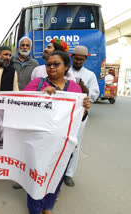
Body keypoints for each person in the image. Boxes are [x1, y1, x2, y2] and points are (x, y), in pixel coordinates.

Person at [24, 51, 90, 214]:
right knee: (36, 177)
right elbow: (21, 108)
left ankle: (48, 206)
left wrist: (85, 109)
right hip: (38, 143)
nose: (51, 67)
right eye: (48, 64)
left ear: (66, 66)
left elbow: (78, 119)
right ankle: (35, 209)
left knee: (56, 176)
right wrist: (39, 96)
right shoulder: (37, 84)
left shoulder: (74, 89)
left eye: (56, 64)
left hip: (63, 144)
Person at [64, 46, 100, 187]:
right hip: (64, 114)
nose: (78, 61)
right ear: (72, 57)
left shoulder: (90, 75)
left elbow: (95, 95)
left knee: (75, 144)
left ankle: (69, 174)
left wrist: (86, 92)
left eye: (81, 59)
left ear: (85, 59)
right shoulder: (65, 71)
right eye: (76, 58)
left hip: (81, 115)